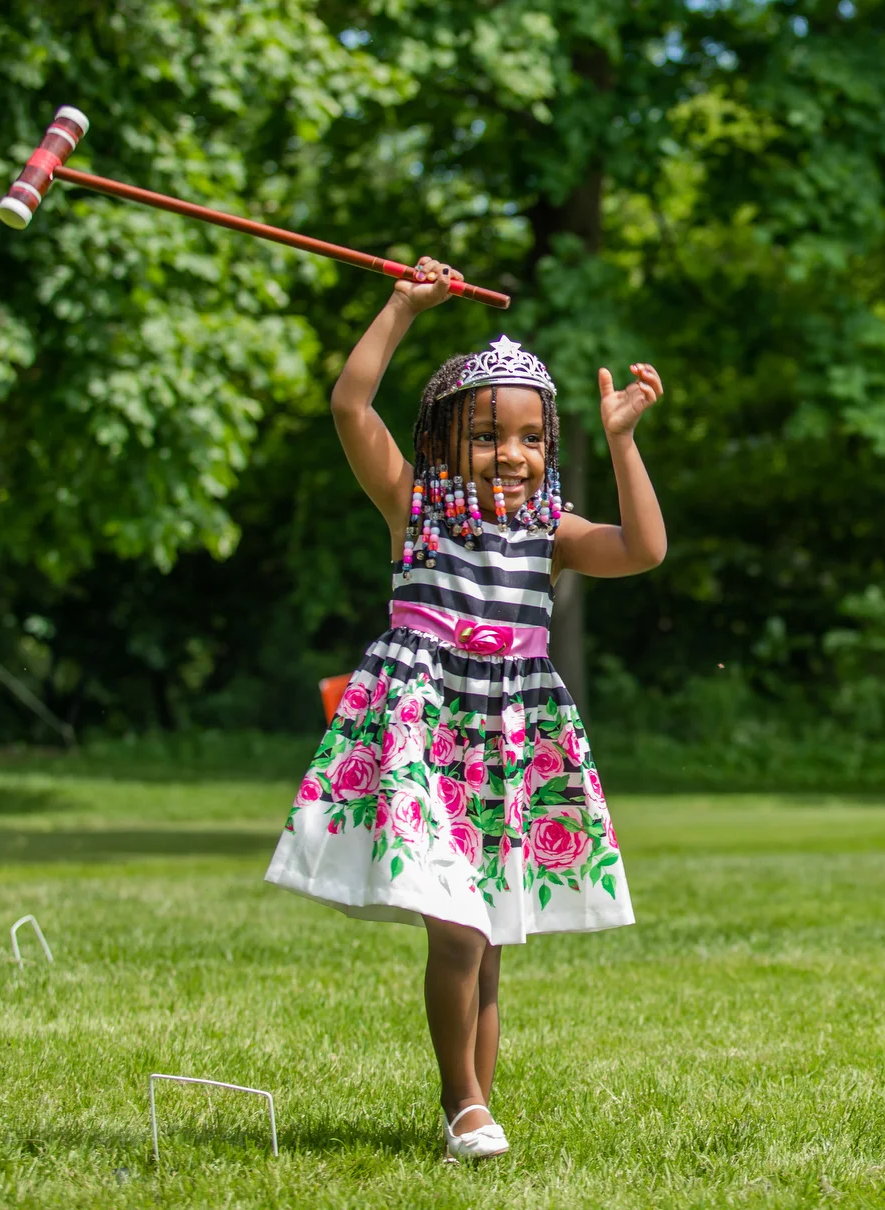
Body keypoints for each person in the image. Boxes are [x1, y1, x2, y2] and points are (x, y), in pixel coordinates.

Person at [265, 257, 666, 1159]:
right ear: (444, 442)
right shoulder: (414, 507)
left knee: (487, 941)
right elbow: (348, 408)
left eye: (531, 438)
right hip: (426, 732)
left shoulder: (548, 535)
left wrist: (624, 442)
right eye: (488, 437)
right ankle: (465, 1104)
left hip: (509, 739)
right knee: (457, 929)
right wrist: (403, 308)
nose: (513, 456)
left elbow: (644, 549)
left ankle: (468, 1111)